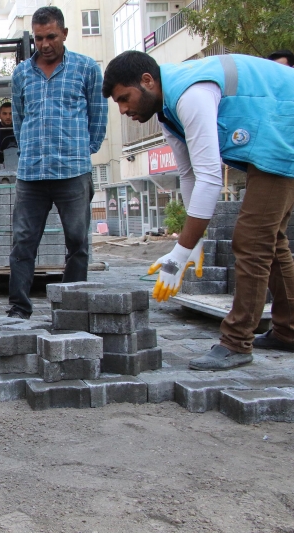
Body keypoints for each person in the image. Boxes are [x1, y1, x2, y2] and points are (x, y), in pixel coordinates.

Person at [102, 50, 294, 370]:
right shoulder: (167, 112)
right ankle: (289, 331)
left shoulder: (190, 95)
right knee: (271, 241)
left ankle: (236, 343)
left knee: (252, 239)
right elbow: (190, 176)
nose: (123, 110)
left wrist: (180, 253)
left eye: (125, 98)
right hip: (274, 131)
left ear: (147, 81)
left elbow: (210, 178)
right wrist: (196, 246)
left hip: (283, 130)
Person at [7, 6, 108, 320]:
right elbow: (19, 120)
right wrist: (28, 151)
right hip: (32, 175)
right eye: (38, 38)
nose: (45, 44)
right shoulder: (22, 72)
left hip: (72, 172)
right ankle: (19, 308)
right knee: (23, 242)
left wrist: (82, 151)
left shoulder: (87, 68)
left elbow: (98, 116)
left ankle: (74, 306)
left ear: (64, 33)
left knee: (77, 241)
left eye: (51, 36)